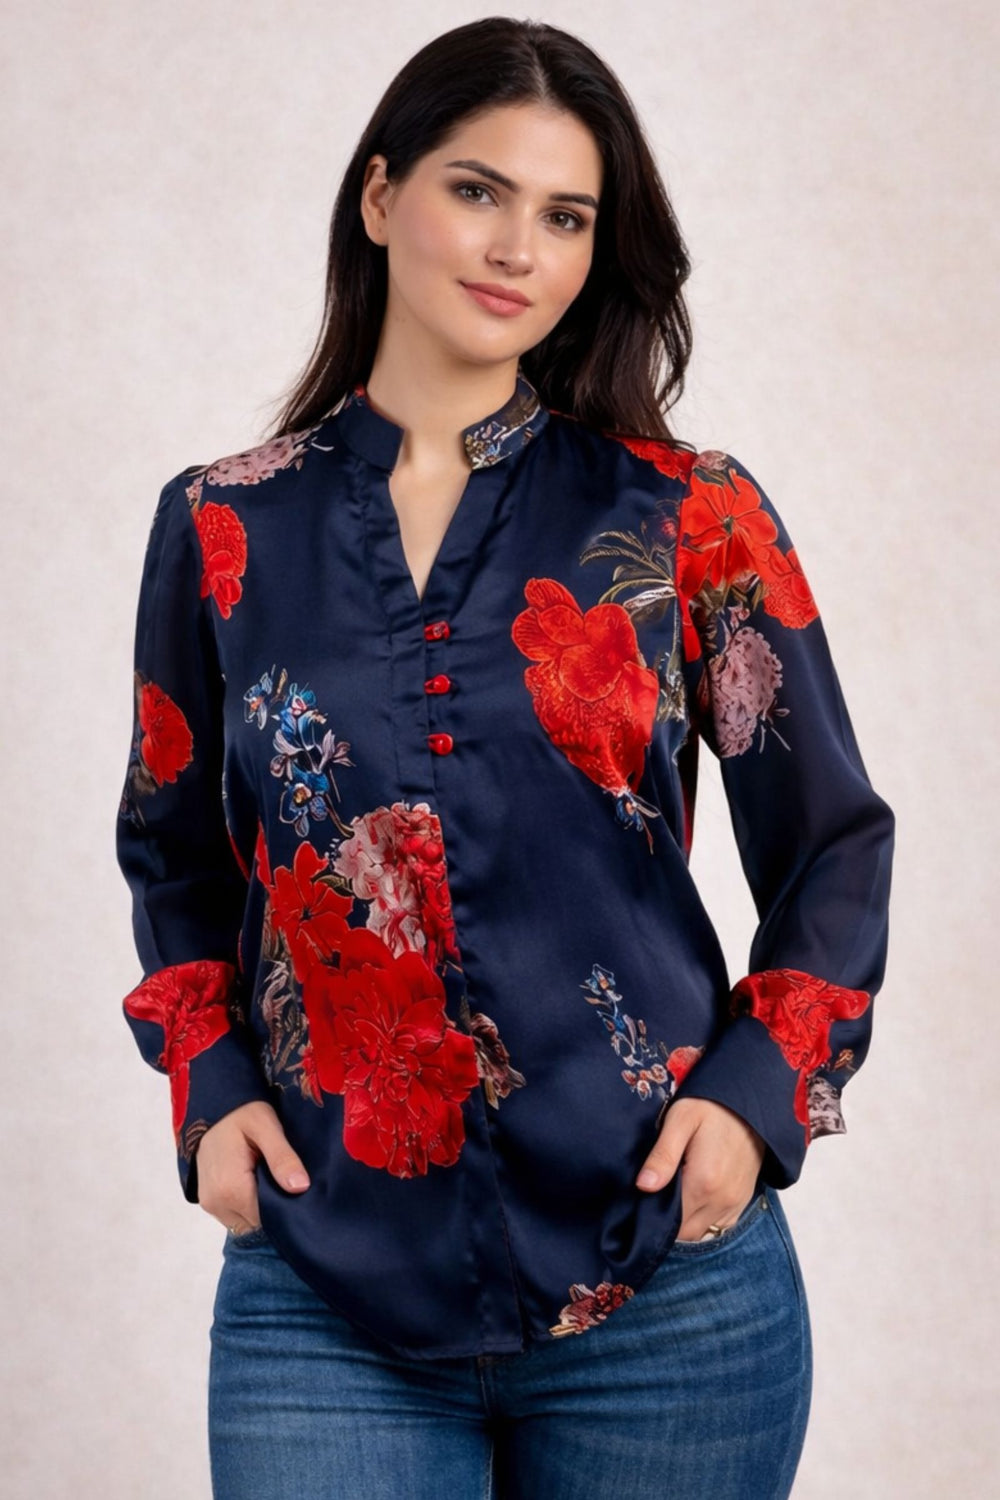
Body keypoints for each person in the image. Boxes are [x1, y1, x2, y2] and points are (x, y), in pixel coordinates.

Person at [115, 17, 895, 1499]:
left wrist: (756, 1097)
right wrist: (209, 1088)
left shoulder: (692, 514)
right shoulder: (222, 524)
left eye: (567, 216)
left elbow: (834, 841)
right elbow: (170, 846)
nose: (518, 248)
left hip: (666, 1280)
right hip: (323, 1283)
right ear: (380, 195)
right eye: (478, 190)